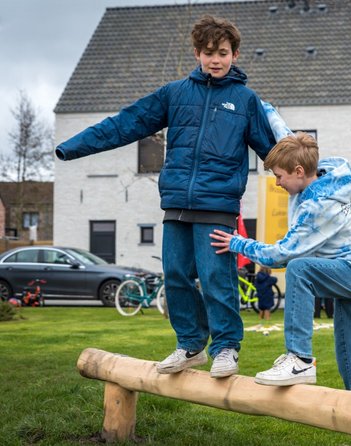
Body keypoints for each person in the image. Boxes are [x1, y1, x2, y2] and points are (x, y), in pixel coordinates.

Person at [55, 15, 290, 378]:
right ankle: (190, 344)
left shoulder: (245, 100)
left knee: (216, 278)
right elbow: (125, 123)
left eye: (223, 53)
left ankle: (226, 347)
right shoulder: (175, 94)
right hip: (177, 202)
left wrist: (305, 179)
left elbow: (272, 151)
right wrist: (72, 148)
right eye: (209, 52)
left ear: (235, 54)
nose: (216, 60)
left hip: (218, 206)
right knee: (176, 275)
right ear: (197, 53)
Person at [210, 133, 351, 446]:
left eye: (278, 177)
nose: (277, 183)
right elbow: (287, 138)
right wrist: (261, 108)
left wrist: (237, 242)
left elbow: (281, 254)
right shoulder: (327, 178)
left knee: (299, 268)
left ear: (300, 172)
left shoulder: (316, 206)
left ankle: (299, 359)